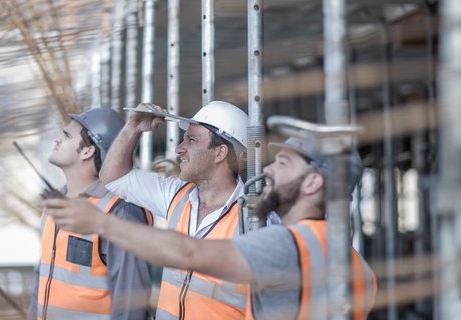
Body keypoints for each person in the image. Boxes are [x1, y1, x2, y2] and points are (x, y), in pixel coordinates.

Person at [44, 130, 378, 320]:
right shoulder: (351, 263)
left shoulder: (285, 243)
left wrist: (102, 222)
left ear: (312, 184)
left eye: (284, 163)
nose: (268, 171)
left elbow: (189, 252)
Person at [98, 101, 250, 319]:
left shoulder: (255, 219)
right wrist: (133, 128)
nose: (180, 148)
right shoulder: (176, 195)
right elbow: (113, 178)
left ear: (220, 152)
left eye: (191, 139)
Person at [27, 107, 152, 320]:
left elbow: (131, 303)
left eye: (66, 135)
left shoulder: (119, 211)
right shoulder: (55, 204)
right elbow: (43, 277)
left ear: (88, 151)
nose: (57, 138)